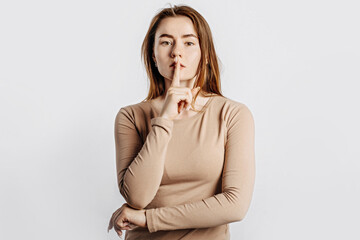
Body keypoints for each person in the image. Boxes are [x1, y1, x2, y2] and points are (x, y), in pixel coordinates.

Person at [107, 4, 255, 240]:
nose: (177, 52)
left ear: (204, 55)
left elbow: (235, 205)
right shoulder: (130, 116)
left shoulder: (232, 114)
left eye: (188, 42)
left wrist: (148, 219)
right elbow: (137, 197)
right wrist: (164, 120)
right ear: (154, 55)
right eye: (166, 42)